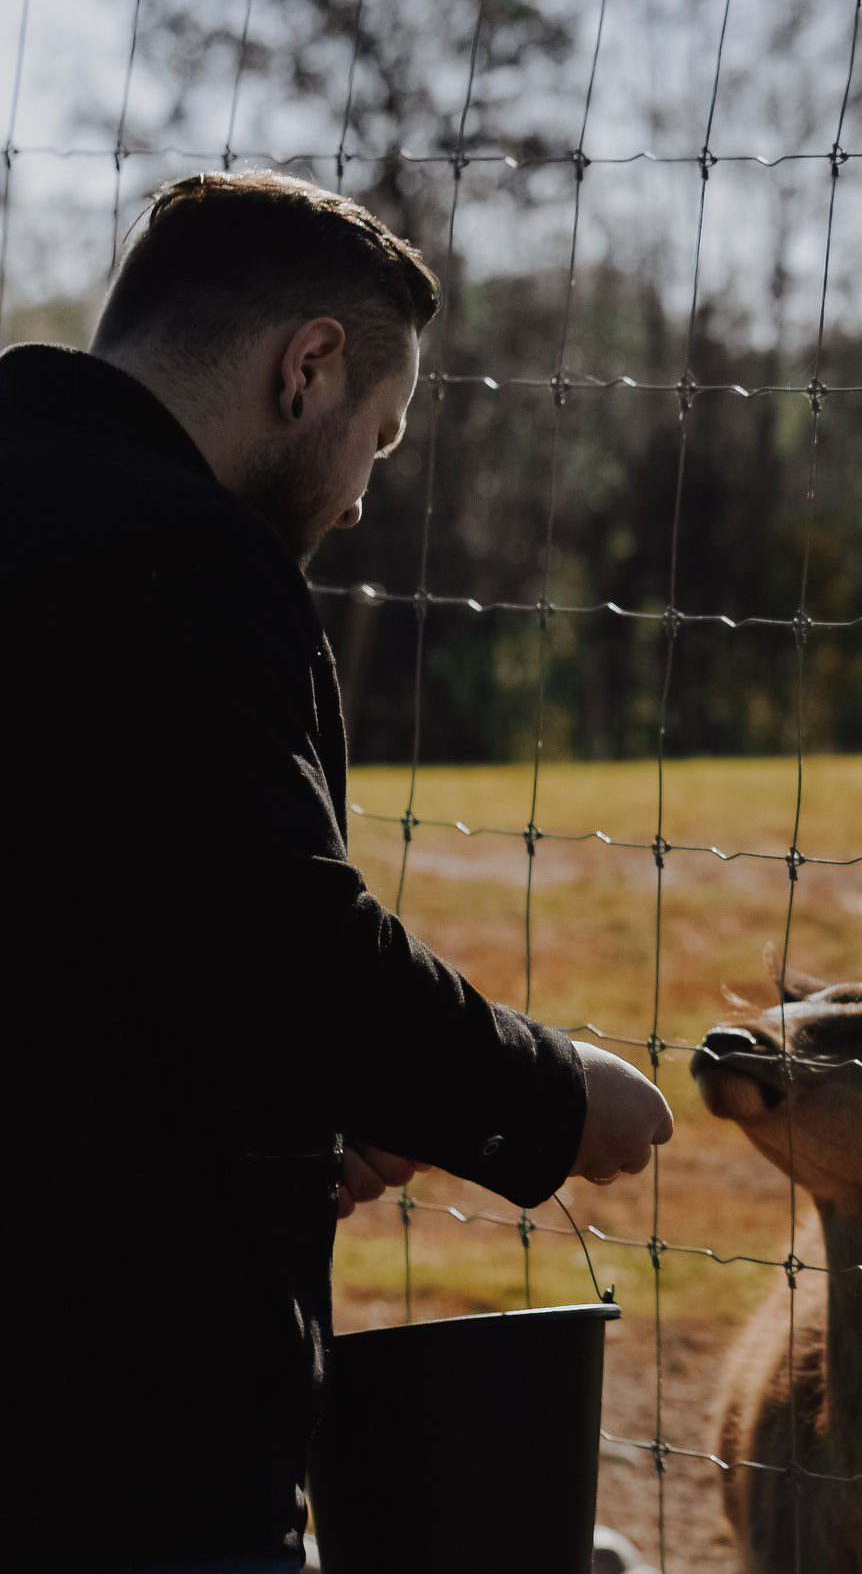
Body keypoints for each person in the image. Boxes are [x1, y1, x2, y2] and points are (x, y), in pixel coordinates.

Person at [0, 172, 675, 1572]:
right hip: (116, 1446)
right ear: (305, 366)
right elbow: (276, 939)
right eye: (380, 432)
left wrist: (297, 1100)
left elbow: (99, 921)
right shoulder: (183, 554)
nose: (366, 496)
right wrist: (550, 1097)